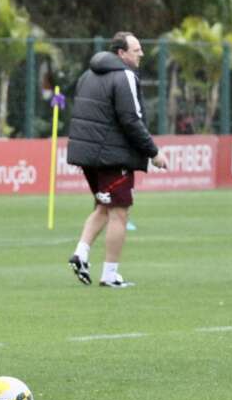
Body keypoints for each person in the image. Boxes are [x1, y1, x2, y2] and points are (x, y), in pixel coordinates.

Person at [66, 32, 167, 288]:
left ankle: (81, 253)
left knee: (103, 207)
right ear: (121, 53)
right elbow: (131, 120)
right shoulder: (125, 76)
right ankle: (110, 275)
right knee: (119, 214)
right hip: (112, 156)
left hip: (87, 155)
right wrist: (153, 152)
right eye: (136, 50)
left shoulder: (87, 75)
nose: (141, 54)